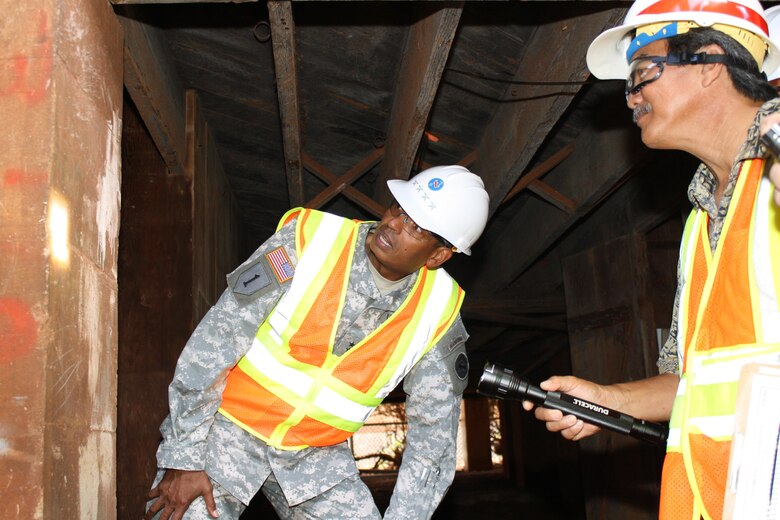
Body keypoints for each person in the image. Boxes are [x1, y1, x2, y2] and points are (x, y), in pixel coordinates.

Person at [524, 0, 780, 518]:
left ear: (709, 63)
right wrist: (604, 399)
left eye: (643, 74)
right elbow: (693, 380)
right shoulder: (702, 219)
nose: (632, 97)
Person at [143, 165, 489, 520]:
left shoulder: (439, 311)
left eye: (416, 227)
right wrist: (183, 457)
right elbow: (216, 339)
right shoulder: (312, 239)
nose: (394, 225)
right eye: (399, 208)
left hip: (317, 457)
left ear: (437, 256)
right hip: (226, 430)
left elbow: (434, 438)